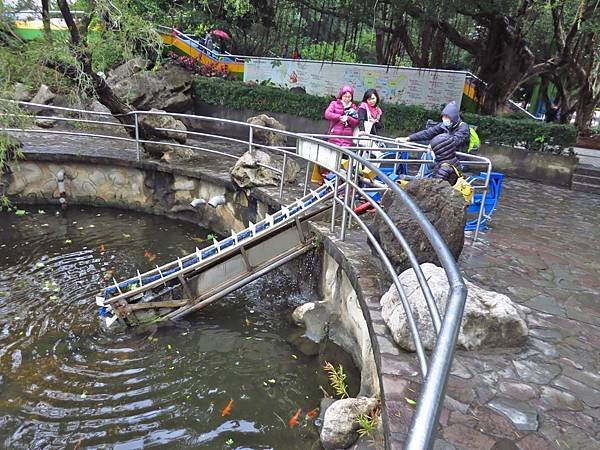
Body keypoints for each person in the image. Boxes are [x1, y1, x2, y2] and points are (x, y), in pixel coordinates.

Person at [397, 101, 470, 152]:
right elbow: (428, 133)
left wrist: (435, 145)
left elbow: (454, 141)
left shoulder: (463, 127)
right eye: (443, 116)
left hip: (458, 160)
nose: (444, 119)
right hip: (446, 156)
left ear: (453, 117)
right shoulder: (444, 125)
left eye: (447, 117)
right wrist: (409, 138)